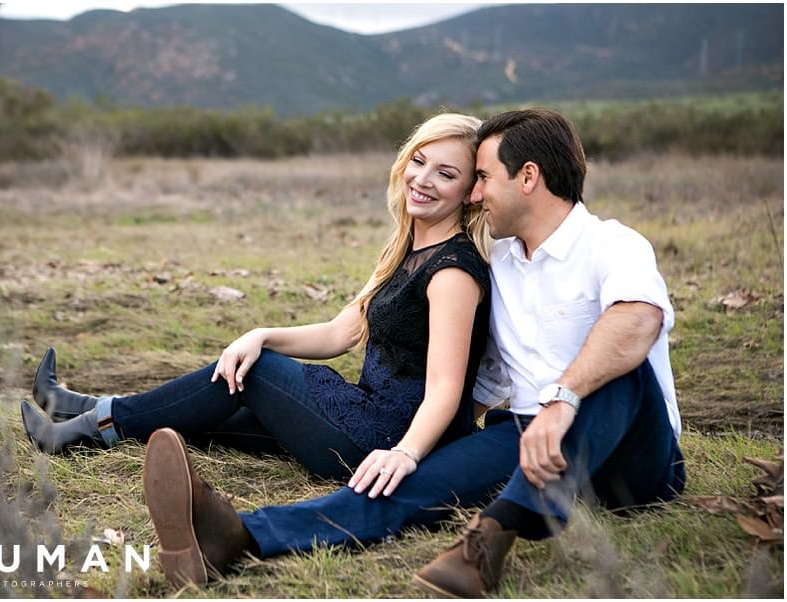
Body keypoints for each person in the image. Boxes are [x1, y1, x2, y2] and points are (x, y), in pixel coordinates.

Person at [140, 108, 685, 593]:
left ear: (528, 177)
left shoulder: (614, 245)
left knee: (617, 370)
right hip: (527, 440)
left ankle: (497, 527)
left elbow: (636, 323)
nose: (474, 194)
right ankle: (238, 539)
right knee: (404, 483)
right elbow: (486, 373)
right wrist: (425, 448)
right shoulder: (501, 262)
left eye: (483, 179)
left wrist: (563, 399)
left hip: (633, 460)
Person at [20, 112, 495, 490]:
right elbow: (341, 333)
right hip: (363, 413)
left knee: (259, 370)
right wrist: (260, 333)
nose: (423, 179)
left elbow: (446, 392)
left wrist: (404, 455)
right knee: (211, 411)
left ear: (471, 192)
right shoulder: (409, 248)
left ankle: (84, 428)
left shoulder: (452, 270)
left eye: (446, 173)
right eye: (419, 161)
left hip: (382, 439)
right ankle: (82, 406)